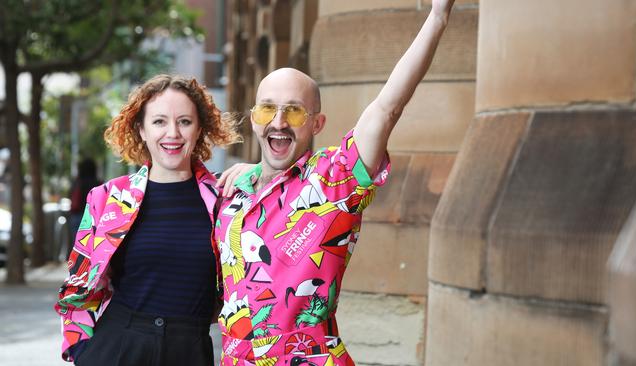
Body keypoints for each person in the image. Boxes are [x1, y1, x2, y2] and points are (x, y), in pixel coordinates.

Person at [215, 1, 455, 365]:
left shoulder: (332, 179)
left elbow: (386, 109)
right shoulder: (230, 195)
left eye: (294, 110)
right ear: (253, 119)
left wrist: (437, 17)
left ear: (317, 123)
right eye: (267, 109)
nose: (278, 121)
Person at [54, 74, 245, 365]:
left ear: (199, 129)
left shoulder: (225, 201)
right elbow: (78, 285)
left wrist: (256, 170)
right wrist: (83, 352)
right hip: (118, 347)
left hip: (190, 350)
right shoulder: (108, 199)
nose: (173, 133)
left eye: (184, 121)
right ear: (141, 129)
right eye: (159, 122)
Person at [68, 158, 102, 256]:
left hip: (77, 217)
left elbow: (72, 198)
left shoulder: (77, 182)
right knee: (94, 247)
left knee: (78, 248)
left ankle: (78, 268)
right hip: (95, 219)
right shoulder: (99, 183)